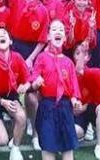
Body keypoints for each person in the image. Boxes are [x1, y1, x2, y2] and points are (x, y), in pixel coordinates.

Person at [31, 20, 82, 160]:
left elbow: (73, 86)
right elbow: (34, 75)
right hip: (47, 106)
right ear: (48, 36)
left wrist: (75, 100)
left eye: (61, 30)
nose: (58, 32)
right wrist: (36, 82)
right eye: (54, 29)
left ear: (65, 38)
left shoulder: (69, 62)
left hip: (65, 107)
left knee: (67, 144)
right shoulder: (42, 57)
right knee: (48, 143)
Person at [0, 27, 30, 160]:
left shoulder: (17, 57)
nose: (1, 35)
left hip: (11, 95)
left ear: (10, 41)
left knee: (21, 117)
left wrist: (25, 85)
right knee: (2, 140)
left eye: (4, 33)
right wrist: (3, 102)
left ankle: (15, 148)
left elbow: (28, 78)